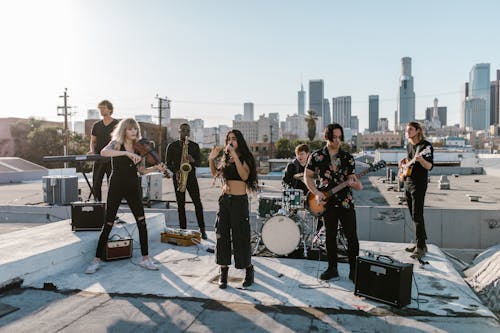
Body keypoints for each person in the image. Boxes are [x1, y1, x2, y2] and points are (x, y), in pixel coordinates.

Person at [85, 118, 167, 274]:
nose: (133, 131)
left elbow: (142, 171)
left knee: (141, 221)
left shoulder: (139, 147)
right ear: (124, 130)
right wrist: (125, 153)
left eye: (135, 129)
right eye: (130, 129)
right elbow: (103, 152)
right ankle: (95, 261)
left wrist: (156, 167)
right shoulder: (116, 143)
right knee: (108, 223)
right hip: (116, 184)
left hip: (132, 185)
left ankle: (145, 259)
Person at [304, 123, 362, 282]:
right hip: (326, 202)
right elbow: (307, 176)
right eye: (334, 137)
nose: (337, 141)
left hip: (345, 201)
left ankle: (354, 270)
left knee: (352, 237)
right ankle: (332, 269)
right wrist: (316, 193)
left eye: (339, 138)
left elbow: (356, 183)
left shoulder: (348, 157)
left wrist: (355, 183)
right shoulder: (316, 156)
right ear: (326, 137)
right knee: (330, 236)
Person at [208, 129, 258, 289]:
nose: (231, 141)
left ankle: (248, 269)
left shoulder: (246, 158)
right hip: (225, 201)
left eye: (234, 139)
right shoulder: (226, 158)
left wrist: (235, 155)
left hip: (239, 202)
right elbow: (215, 174)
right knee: (222, 235)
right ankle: (223, 273)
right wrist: (211, 159)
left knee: (240, 236)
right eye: (228, 139)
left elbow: (244, 176)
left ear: (240, 141)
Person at [166, 123, 207, 239]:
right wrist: (176, 171)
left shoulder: (194, 146)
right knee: (180, 205)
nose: (185, 132)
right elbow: (168, 163)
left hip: (191, 177)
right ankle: (183, 229)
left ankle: (202, 229)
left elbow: (199, 162)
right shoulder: (172, 146)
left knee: (198, 203)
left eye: (187, 130)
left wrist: (192, 159)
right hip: (178, 178)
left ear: (190, 132)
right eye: (183, 130)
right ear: (179, 132)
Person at [399, 121, 433, 260]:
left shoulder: (426, 147)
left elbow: (429, 166)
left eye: (411, 130)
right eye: (407, 130)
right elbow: (408, 161)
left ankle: (420, 247)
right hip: (407, 182)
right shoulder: (409, 145)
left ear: (418, 131)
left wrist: (420, 160)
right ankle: (421, 243)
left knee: (418, 214)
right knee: (413, 215)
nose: (408, 132)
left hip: (419, 184)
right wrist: (403, 164)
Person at [88, 100, 119, 202]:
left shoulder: (117, 124)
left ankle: (112, 206)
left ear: (110, 109)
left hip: (112, 159)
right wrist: (92, 151)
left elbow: (120, 141)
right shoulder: (96, 125)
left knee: (113, 185)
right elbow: (93, 141)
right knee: (96, 184)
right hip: (98, 159)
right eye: (100, 108)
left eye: (103, 108)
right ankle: (98, 206)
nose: (101, 110)